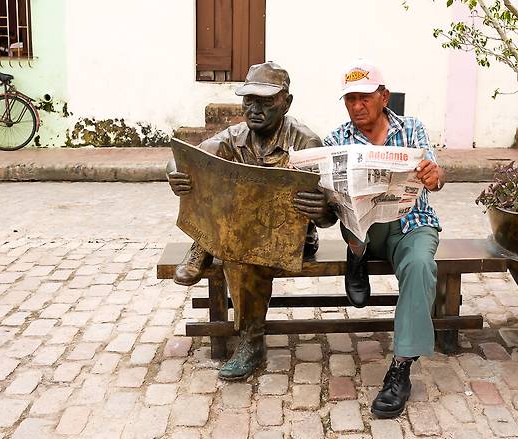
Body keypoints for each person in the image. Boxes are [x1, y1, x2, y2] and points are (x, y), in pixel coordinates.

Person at [167, 61, 336, 380]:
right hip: (242, 237)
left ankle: (251, 342)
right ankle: (249, 337)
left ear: (286, 102)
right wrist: (176, 176)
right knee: (238, 242)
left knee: (239, 249)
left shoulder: (306, 143)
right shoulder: (233, 137)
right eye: (249, 100)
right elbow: (185, 160)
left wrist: (321, 208)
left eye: (266, 101)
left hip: (294, 241)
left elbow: (330, 217)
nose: (255, 109)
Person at [297, 59, 445, 419]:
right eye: (350, 100)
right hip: (361, 228)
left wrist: (433, 175)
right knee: (357, 226)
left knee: (421, 265)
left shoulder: (412, 129)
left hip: (412, 223)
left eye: (364, 98)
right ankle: (357, 255)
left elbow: (437, 182)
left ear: (384, 97)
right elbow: (330, 214)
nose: (357, 107)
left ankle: (401, 368)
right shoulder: (336, 140)